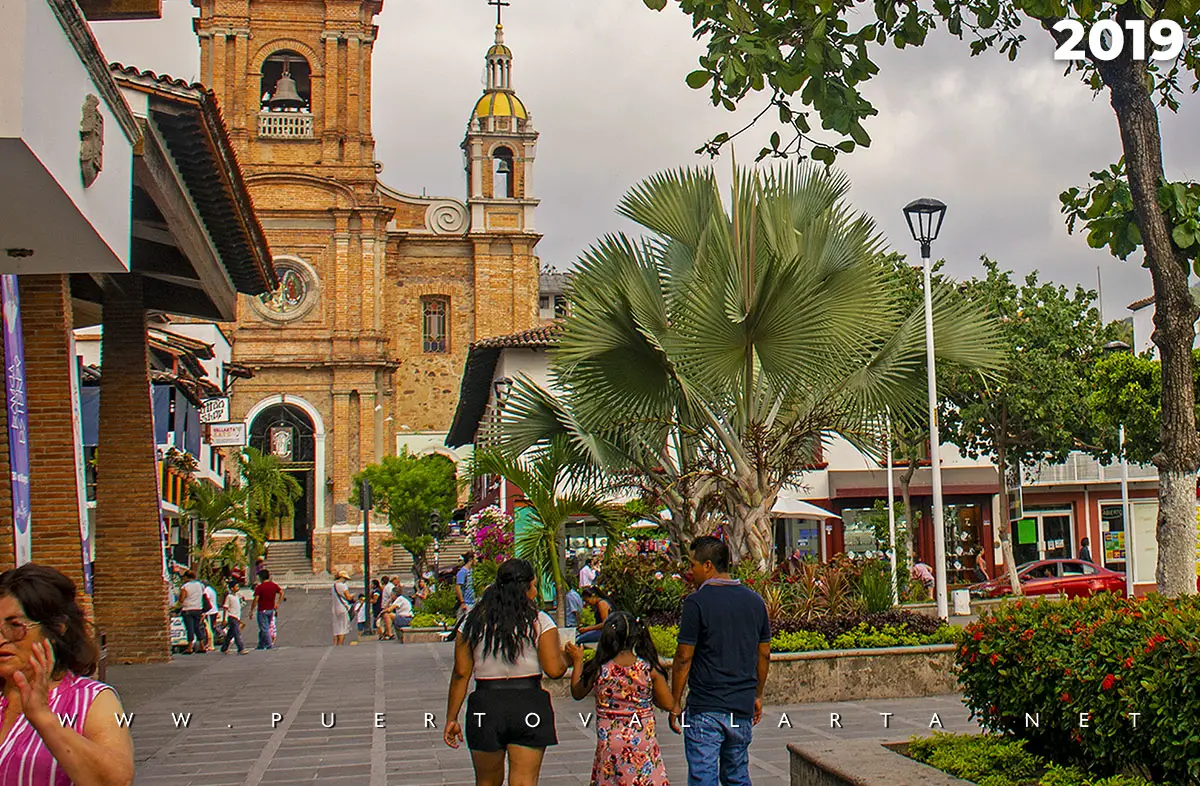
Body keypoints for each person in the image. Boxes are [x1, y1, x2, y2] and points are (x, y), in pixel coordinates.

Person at [0, 563, 135, 785]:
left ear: (56, 629)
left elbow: (114, 780)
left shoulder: (91, 700)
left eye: (15, 627)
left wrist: (43, 718)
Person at [443, 559, 567, 785]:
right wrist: (571, 658)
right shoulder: (539, 621)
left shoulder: (473, 622)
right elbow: (554, 670)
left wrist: (452, 717)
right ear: (529, 587)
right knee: (524, 781)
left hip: (486, 704)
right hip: (529, 703)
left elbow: (461, 672)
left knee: (487, 781)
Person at [669, 536, 771, 786]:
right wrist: (757, 695)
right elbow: (764, 654)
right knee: (737, 775)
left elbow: (684, 657)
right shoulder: (755, 601)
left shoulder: (696, 603)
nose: (689, 571)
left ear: (707, 566)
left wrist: (675, 704)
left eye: (692, 565)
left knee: (703, 776)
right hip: (741, 706)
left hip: (706, 706)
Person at [564, 612, 671, 786]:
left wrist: (577, 661)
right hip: (642, 744)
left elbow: (577, 692)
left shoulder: (600, 669)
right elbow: (668, 703)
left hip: (609, 745)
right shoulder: (647, 669)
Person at [250, 569, 284, 650]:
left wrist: (251, 610)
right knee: (265, 627)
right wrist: (278, 603)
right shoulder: (273, 585)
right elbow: (281, 593)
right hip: (271, 609)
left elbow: (256, 599)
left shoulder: (260, 587)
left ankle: (269, 645)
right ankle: (261, 645)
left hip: (262, 610)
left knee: (264, 628)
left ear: (261, 578)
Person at [178, 570, 205, 655]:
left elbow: (181, 599)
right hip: (198, 608)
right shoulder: (200, 585)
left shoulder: (185, 586)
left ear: (186, 577)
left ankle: (190, 647)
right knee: (197, 627)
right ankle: (202, 645)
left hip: (188, 609)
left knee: (190, 628)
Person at [220, 581, 247, 655]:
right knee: (237, 633)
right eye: (236, 586)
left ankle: (224, 647)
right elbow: (225, 608)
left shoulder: (237, 596)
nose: (237, 588)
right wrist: (224, 619)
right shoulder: (229, 597)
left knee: (230, 634)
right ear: (232, 588)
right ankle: (241, 648)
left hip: (236, 617)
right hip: (232, 617)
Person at [331, 570, 356, 646]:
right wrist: (352, 596)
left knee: (336, 628)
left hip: (334, 609)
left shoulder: (333, 586)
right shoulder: (343, 586)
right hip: (343, 608)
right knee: (342, 628)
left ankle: (335, 644)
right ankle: (340, 644)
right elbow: (348, 597)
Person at [456, 553, 477, 620]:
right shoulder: (462, 572)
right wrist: (462, 602)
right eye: (475, 559)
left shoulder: (472, 571)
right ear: (471, 559)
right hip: (466, 603)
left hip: (473, 602)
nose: (477, 561)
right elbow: (458, 587)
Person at [202, 582, 220, 652]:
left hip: (209, 611)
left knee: (208, 628)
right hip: (214, 610)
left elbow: (207, 601)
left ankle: (210, 644)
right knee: (212, 627)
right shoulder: (212, 590)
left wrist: (204, 611)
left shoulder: (206, 591)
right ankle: (209, 644)